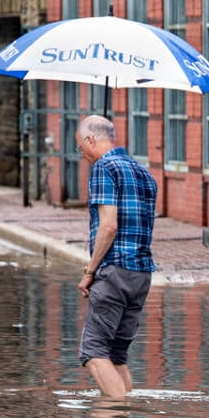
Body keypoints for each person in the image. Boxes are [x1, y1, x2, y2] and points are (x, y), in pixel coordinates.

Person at [75, 115, 158, 397]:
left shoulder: (103, 168)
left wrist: (89, 272)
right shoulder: (143, 171)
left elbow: (109, 226)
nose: (82, 155)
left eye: (80, 147)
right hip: (141, 274)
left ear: (90, 140)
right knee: (117, 355)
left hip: (114, 272)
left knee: (94, 351)